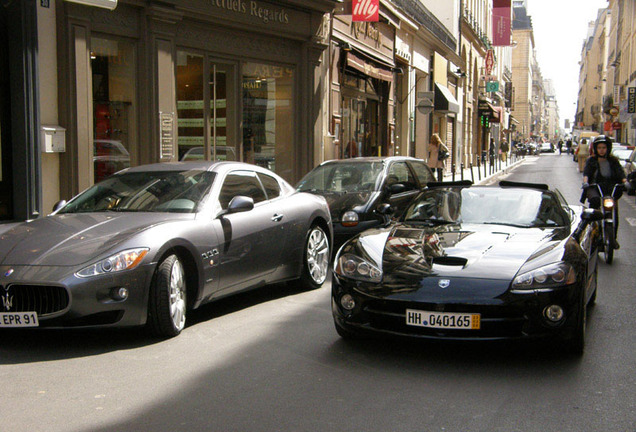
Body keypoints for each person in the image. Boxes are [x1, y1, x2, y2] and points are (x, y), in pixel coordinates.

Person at [582, 135, 629, 248]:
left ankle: (613, 238)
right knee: (594, 203)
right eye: (599, 148)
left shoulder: (613, 160)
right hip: (596, 187)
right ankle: (592, 231)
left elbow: (620, 173)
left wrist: (625, 181)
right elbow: (586, 174)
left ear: (608, 148)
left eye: (604, 147)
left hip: (610, 188)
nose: (602, 150)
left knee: (614, 211)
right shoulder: (591, 160)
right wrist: (585, 182)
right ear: (596, 149)